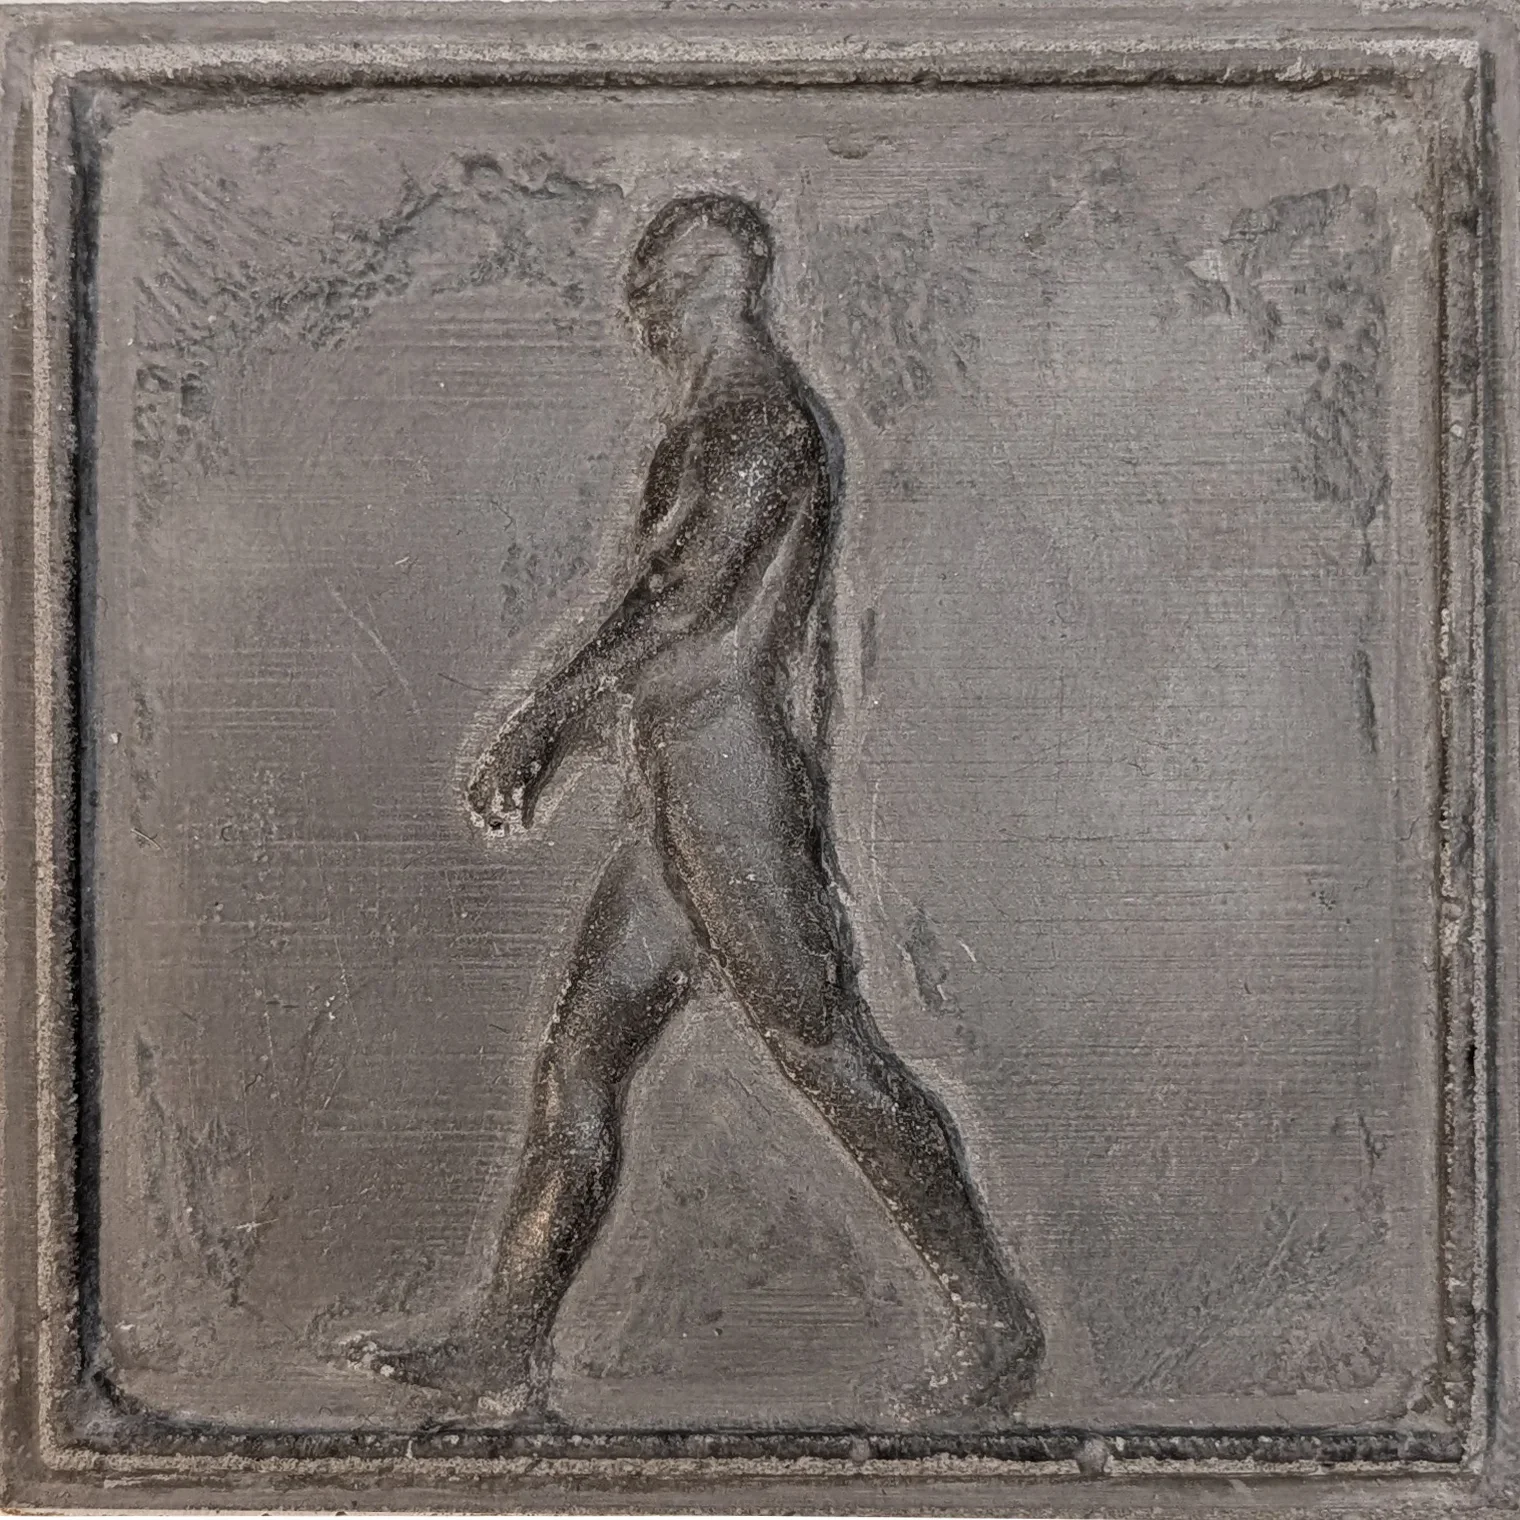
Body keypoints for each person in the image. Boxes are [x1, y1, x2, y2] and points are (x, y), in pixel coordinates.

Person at [344, 193, 1043, 1419]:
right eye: (644, 280)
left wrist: (541, 717)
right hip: (680, 798)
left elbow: (685, 598)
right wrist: (578, 726)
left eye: (664, 278)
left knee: (825, 1052)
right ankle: (506, 1336)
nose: (643, 302)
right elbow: (672, 621)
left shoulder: (756, 423)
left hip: (736, 797)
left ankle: (995, 1325)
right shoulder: (707, 430)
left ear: (724, 279)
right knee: (578, 1060)